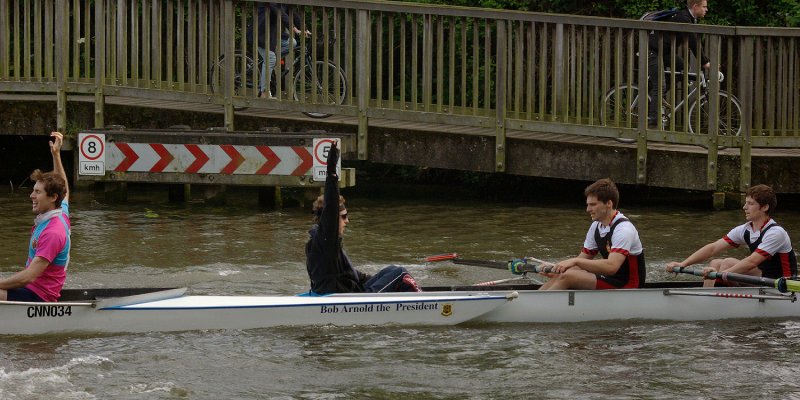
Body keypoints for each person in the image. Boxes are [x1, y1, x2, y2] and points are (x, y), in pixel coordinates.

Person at [305, 142, 421, 294]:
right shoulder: (325, 240)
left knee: (391, 271)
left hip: (349, 291)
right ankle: (423, 302)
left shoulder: (326, 243)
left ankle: (410, 299)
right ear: (332, 220)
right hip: (346, 299)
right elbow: (331, 208)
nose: (347, 221)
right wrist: (331, 172)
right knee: (400, 273)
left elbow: (352, 276)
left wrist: (381, 281)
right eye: (344, 216)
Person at [521, 178, 645, 290]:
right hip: (610, 279)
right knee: (566, 273)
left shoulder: (623, 229)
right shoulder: (596, 226)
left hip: (629, 285)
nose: (588, 209)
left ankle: (539, 306)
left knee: (570, 276)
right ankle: (534, 300)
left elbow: (611, 267)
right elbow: (582, 261)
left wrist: (574, 262)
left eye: (593, 205)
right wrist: (557, 268)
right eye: (587, 205)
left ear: (609, 204)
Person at [665, 184, 797, 287]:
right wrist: (684, 263)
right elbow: (713, 248)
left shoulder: (775, 233)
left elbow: (751, 262)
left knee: (727, 263)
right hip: (761, 277)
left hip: (782, 284)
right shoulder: (745, 229)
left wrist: (719, 275)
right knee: (716, 262)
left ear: (764, 207)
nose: (745, 207)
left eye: (750, 204)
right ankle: (707, 299)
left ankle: (721, 297)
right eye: (746, 202)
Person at [0, 132, 71, 302]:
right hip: (30, 288)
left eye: (37, 192)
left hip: (39, 296)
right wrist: (56, 155)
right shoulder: (61, 210)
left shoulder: (53, 232)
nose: (31, 196)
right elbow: (64, 188)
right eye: (33, 190)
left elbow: (28, 277)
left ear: (53, 197)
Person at [647, 0, 710, 127]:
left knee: (683, 67)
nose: (706, 9)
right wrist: (705, 62)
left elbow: (693, 41)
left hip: (663, 52)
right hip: (652, 51)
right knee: (660, 86)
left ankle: (659, 95)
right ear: (695, 6)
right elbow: (693, 42)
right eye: (704, 7)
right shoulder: (683, 18)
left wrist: (705, 59)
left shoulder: (688, 18)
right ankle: (653, 121)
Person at [246, 3, 307, 99]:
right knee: (271, 59)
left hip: (272, 34)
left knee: (292, 43)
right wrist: (295, 29)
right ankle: (264, 93)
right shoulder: (274, 2)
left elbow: (293, 14)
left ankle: (268, 62)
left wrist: (305, 29)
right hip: (259, 34)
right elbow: (280, 13)